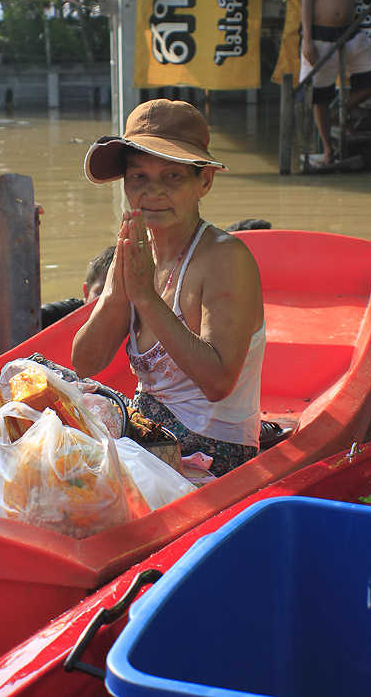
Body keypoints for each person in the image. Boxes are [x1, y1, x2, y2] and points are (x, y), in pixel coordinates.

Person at [71, 98, 275, 477]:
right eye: (138, 178)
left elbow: (218, 382)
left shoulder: (225, 258)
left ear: (204, 182)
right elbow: (86, 362)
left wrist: (146, 297)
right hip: (147, 427)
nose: (152, 192)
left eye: (172, 177)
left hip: (215, 448)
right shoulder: (133, 249)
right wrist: (119, 291)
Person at [299, 0, 371, 166]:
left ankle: (339, 114)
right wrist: (308, 39)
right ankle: (328, 152)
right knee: (319, 95)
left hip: (350, 32)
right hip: (320, 33)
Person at [41, 245, 115, 328]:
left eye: (117, 295)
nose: (107, 302)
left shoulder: (131, 324)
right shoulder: (67, 315)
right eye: (100, 293)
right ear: (86, 293)